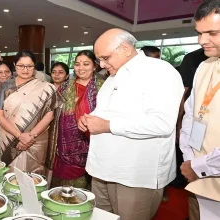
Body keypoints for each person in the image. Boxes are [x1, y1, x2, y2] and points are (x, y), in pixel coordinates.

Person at [78, 28, 184, 220]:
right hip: (102, 168)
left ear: (125, 48)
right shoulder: (112, 77)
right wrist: (88, 119)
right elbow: (104, 112)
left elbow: (162, 123)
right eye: (99, 59)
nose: (101, 64)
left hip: (134, 175)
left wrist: (107, 125)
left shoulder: (159, 72)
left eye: (105, 57)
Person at [180, 0, 220, 218]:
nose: (202, 41)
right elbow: (191, 114)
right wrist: (189, 160)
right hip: (197, 178)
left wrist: (200, 165)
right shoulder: (204, 66)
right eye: (199, 33)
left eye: (212, 33)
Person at [0, 51, 63, 175]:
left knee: (34, 178)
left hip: (36, 140)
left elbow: (49, 116)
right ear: (15, 65)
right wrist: (20, 136)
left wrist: (30, 136)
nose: (25, 70)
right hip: (11, 139)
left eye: (29, 66)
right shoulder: (5, 86)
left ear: (34, 67)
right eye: (21, 66)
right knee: (12, 177)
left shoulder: (47, 88)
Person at [51, 50, 104, 189]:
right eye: (77, 64)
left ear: (95, 66)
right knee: (60, 186)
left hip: (92, 141)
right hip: (63, 143)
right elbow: (54, 112)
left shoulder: (102, 87)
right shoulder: (65, 86)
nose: (81, 68)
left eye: (86, 64)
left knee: (84, 188)